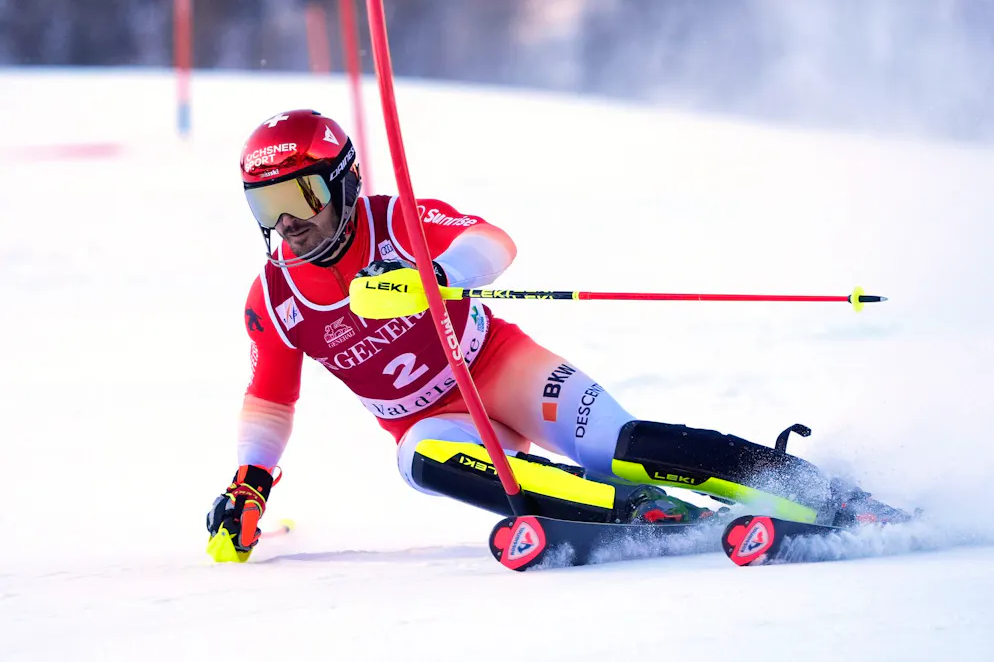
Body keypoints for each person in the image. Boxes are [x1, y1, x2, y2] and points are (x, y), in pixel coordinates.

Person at [206, 109, 909, 562]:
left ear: (343, 184)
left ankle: (823, 493)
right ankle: (636, 513)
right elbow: (270, 397)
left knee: (620, 447)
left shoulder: (397, 221)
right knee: (417, 458)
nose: (287, 223)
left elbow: (493, 241)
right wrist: (250, 484)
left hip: (499, 365)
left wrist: (436, 275)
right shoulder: (276, 295)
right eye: (266, 206)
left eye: (301, 197)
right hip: (439, 422)